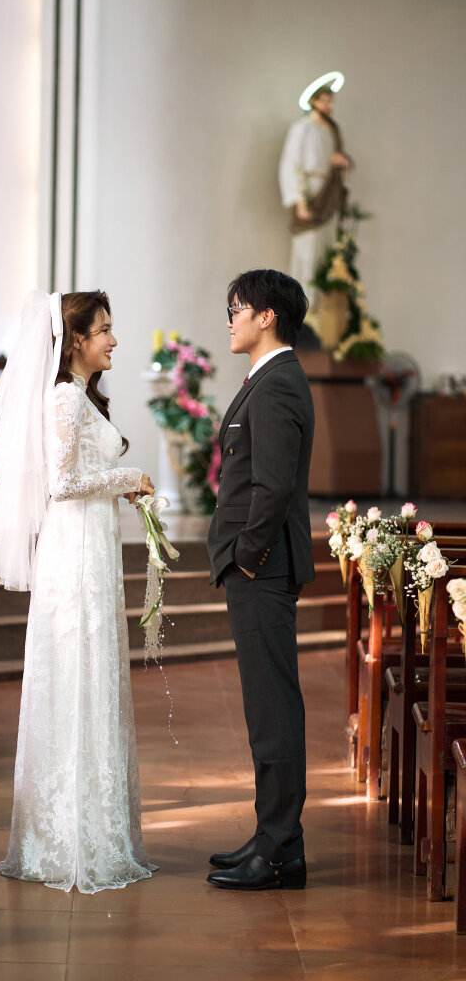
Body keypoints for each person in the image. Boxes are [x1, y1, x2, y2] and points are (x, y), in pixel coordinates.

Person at [0, 289, 157, 894]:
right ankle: (68, 839)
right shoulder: (62, 398)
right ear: (75, 340)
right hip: (75, 555)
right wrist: (128, 478)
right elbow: (63, 482)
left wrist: (118, 487)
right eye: (104, 329)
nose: (113, 339)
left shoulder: (80, 398)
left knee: (92, 676)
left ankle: (89, 828)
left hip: (91, 550)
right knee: (77, 675)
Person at [206, 269, 314, 891]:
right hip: (260, 564)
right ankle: (277, 837)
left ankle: (278, 851)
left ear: (267, 315)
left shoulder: (276, 385)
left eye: (237, 308)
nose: (230, 319)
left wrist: (246, 556)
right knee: (265, 704)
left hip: (264, 567)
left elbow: (271, 487)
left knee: (272, 707)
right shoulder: (268, 379)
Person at [278, 79, 351, 300]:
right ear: (314, 101)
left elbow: (327, 158)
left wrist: (337, 162)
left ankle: (320, 307)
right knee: (306, 253)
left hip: (327, 193)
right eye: (325, 101)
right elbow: (290, 164)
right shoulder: (302, 128)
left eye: (331, 101)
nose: (329, 106)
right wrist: (299, 200)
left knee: (326, 253)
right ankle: (302, 306)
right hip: (311, 193)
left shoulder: (331, 131)